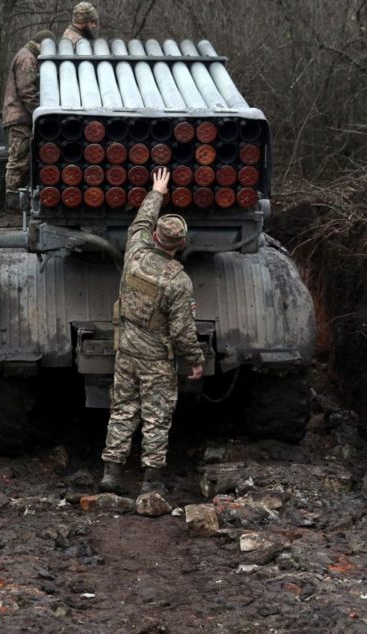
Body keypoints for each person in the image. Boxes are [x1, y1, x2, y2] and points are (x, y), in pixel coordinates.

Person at [99, 166, 205, 495]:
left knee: (122, 410)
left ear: (157, 237)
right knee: (156, 417)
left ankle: (111, 474)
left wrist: (156, 192)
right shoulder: (177, 281)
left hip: (127, 352)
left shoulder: (135, 254)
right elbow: (183, 330)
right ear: (182, 243)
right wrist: (195, 359)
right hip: (157, 360)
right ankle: (151, 482)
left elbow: (140, 223)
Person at [2, 29, 55, 211]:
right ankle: (12, 200)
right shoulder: (28, 58)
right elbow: (27, 92)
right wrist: (43, 114)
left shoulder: (26, 55)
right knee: (19, 159)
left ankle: (17, 200)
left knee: (23, 159)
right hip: (20, 118)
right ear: (41, 44)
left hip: (20, 116)